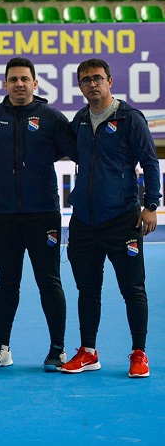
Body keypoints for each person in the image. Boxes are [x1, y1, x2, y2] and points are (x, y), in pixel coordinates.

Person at [61, 59, 160, 378]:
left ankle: (139, 353)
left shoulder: (129, 118)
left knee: (133, 289)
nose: (92, 84)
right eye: (86, 80)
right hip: (84, 222)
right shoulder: (78, 120)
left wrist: (151, 204)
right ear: (80, 86)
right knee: (87, 289)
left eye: (98, 78)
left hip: (122, 219)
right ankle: (88, 351)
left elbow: (150, 162)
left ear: (110, 81)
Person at [0, 57, 76, 371]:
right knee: (6, 282)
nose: (19, 84)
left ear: (35, 83)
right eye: (13, 79)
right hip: (4, 214)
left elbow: (73, 150)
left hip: (43, 214)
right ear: (5, 84)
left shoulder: (52, 118)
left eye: (25, 79)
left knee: (49, 281)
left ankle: (57, 349)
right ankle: (1, 347)